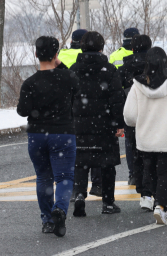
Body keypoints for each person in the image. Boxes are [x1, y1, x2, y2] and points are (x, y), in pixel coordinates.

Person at [123, 47, 167, 224]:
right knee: (165, 173)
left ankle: (155, 198)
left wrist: (139, 122)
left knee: (150, 171)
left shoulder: (137, 85)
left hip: (145, 140)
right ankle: (161, 206)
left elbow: (129, 116)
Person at [17, 36, 79, 237]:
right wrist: (60, 65)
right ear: (55, 55)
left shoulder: (30, 83)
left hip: (37, 135)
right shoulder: (67, 78)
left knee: (43, 177)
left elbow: (22, 111)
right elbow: (78, 83)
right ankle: (59, 208)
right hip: (62, 133)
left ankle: (47, 220)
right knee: (64, 177)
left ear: (36, 54)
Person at [70, 31, 126, 217]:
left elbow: (68, 99)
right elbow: (117, 99)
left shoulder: (74, 69)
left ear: (82, 47)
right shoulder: (109, 70)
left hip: (79, 124)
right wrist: (119, 124)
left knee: (80, 162)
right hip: (105, 124)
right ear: (102, 47)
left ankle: (79, 195)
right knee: (107, 163)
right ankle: (108, 203)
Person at [118, 34, 152, 188]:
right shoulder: (155, 66)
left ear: (131, 49)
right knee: (152, 142)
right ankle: (150, 174)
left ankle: (134, 174)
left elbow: (118, 93)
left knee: (131, 144)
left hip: (131, 111)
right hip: (153, 111)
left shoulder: (124, 68)